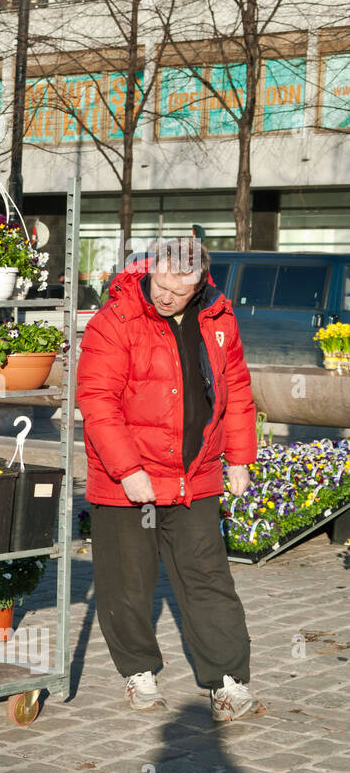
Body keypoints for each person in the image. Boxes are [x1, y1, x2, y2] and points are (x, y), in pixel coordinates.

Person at [76, 236, 262, 722]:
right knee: (127, 583)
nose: (165, 297)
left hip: (195, 475)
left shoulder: (220, 319)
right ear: (151, 270)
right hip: (127, 481)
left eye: (178, 291)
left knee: (208, 580)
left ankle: (228, 681)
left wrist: (240, 457)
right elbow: (98, 402)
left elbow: (237, 390)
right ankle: (138, 672)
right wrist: (129, 471)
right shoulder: (114, 321)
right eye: (160, 284)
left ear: (200, 283)